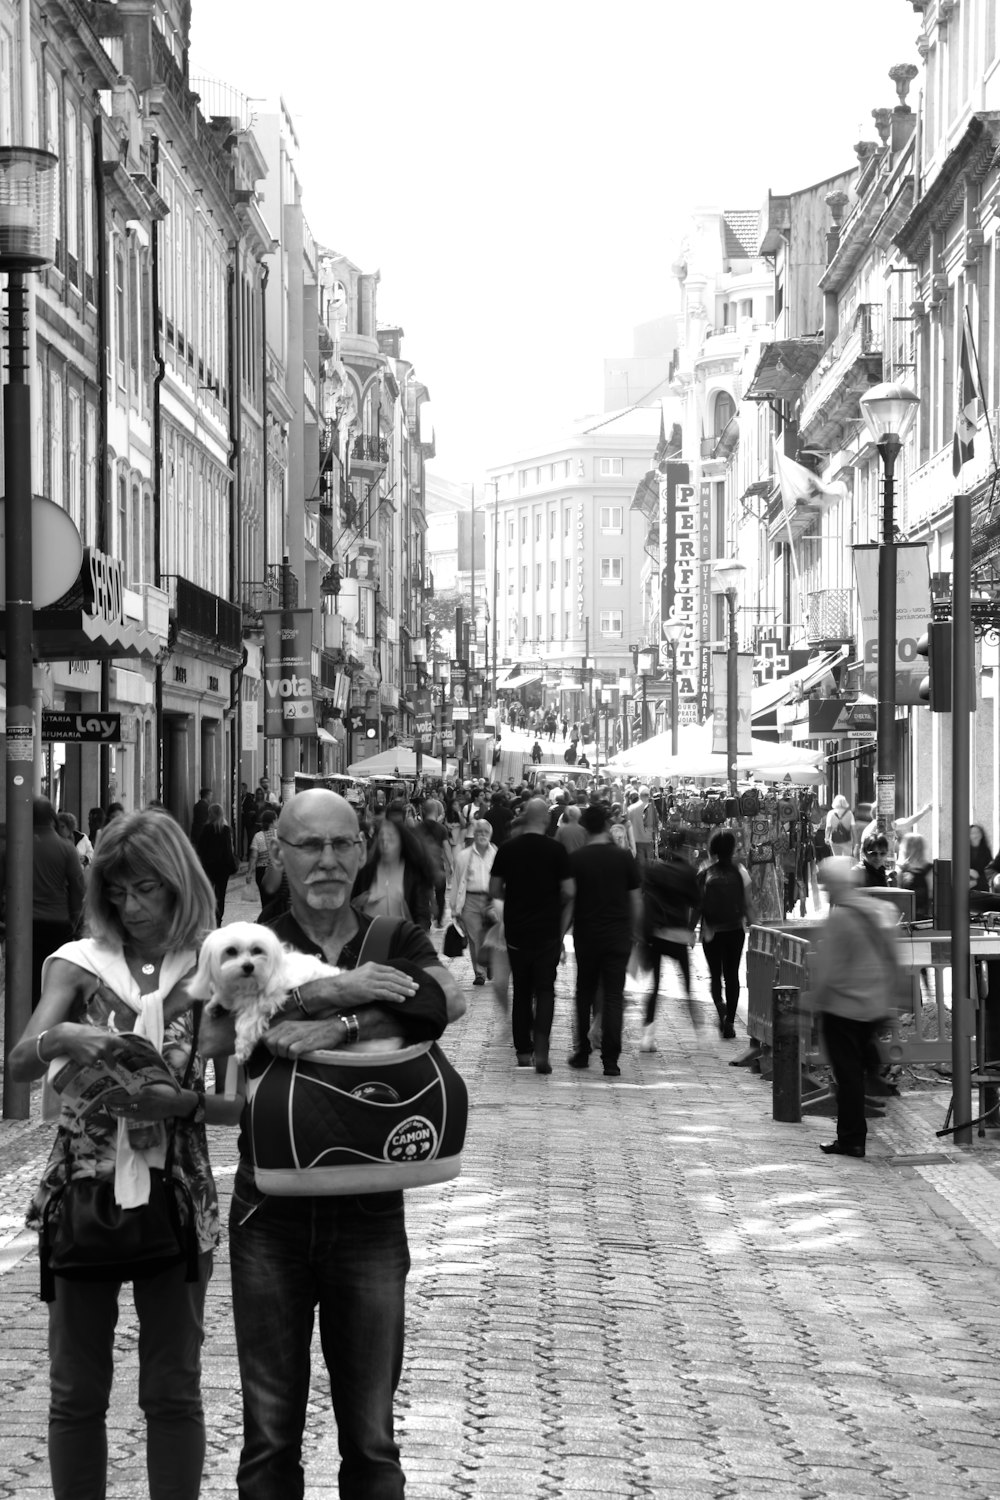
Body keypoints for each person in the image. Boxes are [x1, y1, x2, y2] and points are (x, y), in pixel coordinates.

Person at [199, 789, 463, 1500]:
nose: (327, 861)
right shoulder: (254, 945)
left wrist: (336, 1023)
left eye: (342, 844)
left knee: (373, 1443)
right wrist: (323, 994)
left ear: (363, 850)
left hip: (370, 1210)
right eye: (309, 846)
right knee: (269, 1442)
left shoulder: (394, 939)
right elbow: (216, 1036)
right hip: (270, 1210)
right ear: (277, 855)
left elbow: (442, 1002)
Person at [9, 809, 241, 1500]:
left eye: (149, 890)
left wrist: (180, 1104)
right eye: (119, 891)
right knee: (75, 1390)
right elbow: (19, 1063)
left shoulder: (216, 968)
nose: (133, 907)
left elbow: (235, 1101)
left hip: (178, 1195)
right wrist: (65, 1039)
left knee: (173, 1388)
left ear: (180, 886)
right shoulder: (78, 964)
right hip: (80, 1192)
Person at [811, 857, 900, 1158]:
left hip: (842, 1007)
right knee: (856, 1069)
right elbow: (892, 957)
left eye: (826, 886)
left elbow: (828, 967)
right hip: (873, 1004)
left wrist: (813, 1002)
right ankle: (873, 1069)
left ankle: (851, 1139)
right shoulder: (877, 911)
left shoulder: (840, 918)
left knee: (847, 1076)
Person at [489, 796, 574, 1073]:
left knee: (523, 990)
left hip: (517, 930)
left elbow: (494, 888)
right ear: (547, 820)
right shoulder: (556, 850)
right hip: (548, 931)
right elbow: (571, 891)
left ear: (524, 818)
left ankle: (522, 1052)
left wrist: (513, 895)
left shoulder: (508, 849)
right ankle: (541, 1048)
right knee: (546, 989)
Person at [567, 803, 641, 1078]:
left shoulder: (577, 859)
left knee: (584, 993)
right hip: (618, 935)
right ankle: (611, 1060)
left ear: (585, 827)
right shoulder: (623, 858)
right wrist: (635, 931)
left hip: (587, 935)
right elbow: (635, 899)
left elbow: (569, 897)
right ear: (607, 827)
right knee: (613, 996)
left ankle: (582, 1051)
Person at [639, 831, 702, 1050]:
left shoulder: (656, 870)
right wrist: (691, 929)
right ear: (685, 849)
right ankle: (699, 1030)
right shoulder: (689, 873)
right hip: (677, 935)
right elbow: (698, 904)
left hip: (657, 934)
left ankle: (648, 1036)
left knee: (655, 985)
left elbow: (644, 899)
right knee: (687, 984)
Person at [697, 827, 756, 1038]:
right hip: (735, 930)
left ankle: (720, 1008)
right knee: (732, 975)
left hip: (712, 931)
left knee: (715, 975)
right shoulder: (741, 872)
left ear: (712, 849)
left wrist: (689, 929)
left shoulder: (704, 871)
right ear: (733, 849)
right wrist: (756, 928)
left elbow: (697, 905)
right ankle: (730, 1021)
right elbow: (748, 905)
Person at [32, 797, 86, 1010]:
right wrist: (76, 918)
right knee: (55, 978)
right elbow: (77, 887)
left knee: (29, 977)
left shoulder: (17, 846)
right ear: (53, 818)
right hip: (58, 922)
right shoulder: (65, 848)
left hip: (24, 923)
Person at [352, 815, 434, 930]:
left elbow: (422, 916)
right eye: (382, 839)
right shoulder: (366, 871)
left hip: (402, 942)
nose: (385, 845)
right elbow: (349, 907)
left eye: (391, 839)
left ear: (401, 842)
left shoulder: (413, 874)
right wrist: (358, 903)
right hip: (370, 941)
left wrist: (417, 940)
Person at [451, 819, 497, 985]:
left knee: (491, 936)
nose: (482, 835)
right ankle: (479, 972)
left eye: (485, 832)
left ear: (490, 835)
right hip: (470, 900)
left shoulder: (496, 854)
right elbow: (456, 881)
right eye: (479, 832)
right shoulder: (463, 856)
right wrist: (454, 908)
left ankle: (489, 962)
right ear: (474, 835)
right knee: (475, 937)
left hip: (490, 900)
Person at [196, 802, 238, 925]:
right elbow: (228, 850)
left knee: (208, 892)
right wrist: (232, 866)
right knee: (221, 894)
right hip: (222, 868)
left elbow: (200, 849)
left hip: (208, 867)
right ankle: (218, 919)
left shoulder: (206, 829)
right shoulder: (225, 830)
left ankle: (208, 917)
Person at [417, 798, 452, 926]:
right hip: (438, 865)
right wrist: (451, 865)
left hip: (421, 865)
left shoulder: (418, 827)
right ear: (436, 811)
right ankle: (439, 920)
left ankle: (426, 920)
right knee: (440, 893)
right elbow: (446, 847)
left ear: (424, 811)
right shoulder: (441, 829)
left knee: (424, 892)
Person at [245, 807, 281, 909]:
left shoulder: (258, 836)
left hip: (261, 871)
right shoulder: (278, 834)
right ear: (272, 821)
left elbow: (253, 856)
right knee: (276, 900)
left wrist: (249, 873)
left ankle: (266, 920)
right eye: (276, 819)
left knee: (265, 901)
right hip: (276, 870)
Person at [896, 832, 932, 921]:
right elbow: (931, 894)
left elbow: (897, 892)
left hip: (905, 916)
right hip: (924, 916)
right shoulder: (929, 869)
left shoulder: (901, 869)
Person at [626, 786, 657, 869]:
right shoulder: (652, 808)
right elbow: (655, 825)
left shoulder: (631, 809)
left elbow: (627, 826)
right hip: (648, 840)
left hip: (636, 841)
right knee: (649, 866)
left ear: (639, 795)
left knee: (640, 867)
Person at [970, 823, 994, 891]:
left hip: (981, 886)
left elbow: (990, 870)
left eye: (977, 832)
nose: (975, 835)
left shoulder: (986, 850)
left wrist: (977, 881)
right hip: (966, 885)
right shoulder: (963, 850)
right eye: (972, 833)